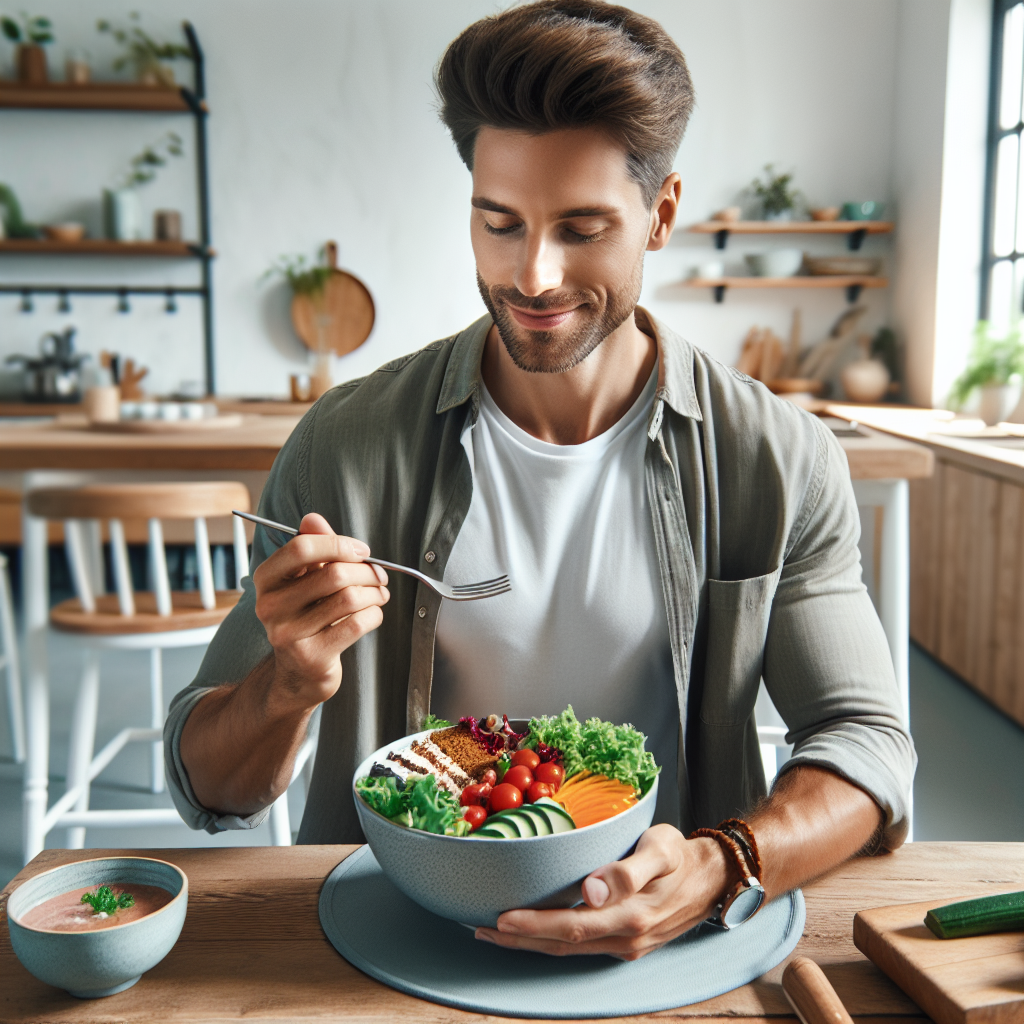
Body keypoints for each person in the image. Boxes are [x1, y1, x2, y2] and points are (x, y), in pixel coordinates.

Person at [166, 0, 915, 960]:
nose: (533, 274)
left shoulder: (778, 457)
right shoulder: (344, 445)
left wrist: (727, 862)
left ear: (661, 216)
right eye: (500, 222)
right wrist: (287, 685)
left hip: (669, 945)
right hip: (392, 939)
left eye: (582, 227)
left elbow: (866, 746)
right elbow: (209, 790)